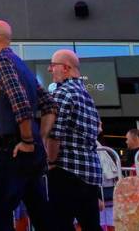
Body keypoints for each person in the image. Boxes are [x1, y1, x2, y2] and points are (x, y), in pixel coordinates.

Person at [0, 20, 57, 231]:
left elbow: (20, 102)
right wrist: (38, 139)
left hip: (14, 150)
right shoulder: (21, 64)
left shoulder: (1, 61)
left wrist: (26, 140)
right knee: (40, 212)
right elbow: (50, 106)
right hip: (32, 154)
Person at [45, 49, 102, 231]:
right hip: (90, 174)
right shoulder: (86, 95)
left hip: (66, 172)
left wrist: (51, 163)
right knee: (91, 225)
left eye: (53, 65)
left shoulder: (62, 93)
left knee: (60, 224)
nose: (49, 69)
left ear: (66, 68)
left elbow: (54, 134)